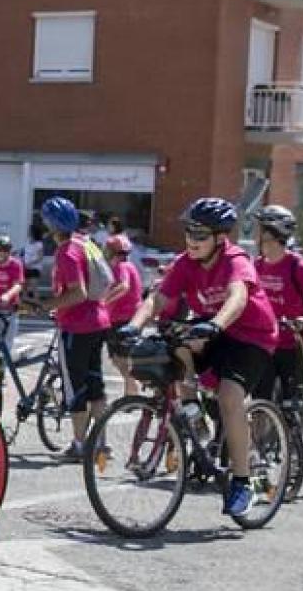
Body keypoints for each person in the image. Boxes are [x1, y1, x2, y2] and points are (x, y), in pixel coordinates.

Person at [116, 198, 280, 518]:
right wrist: (133, 326)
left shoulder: (236, 259)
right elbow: (158, 298)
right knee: (172, 344)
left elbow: (238, 296)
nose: (192, 240)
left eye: (200, 234)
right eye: (189, 232)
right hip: (213, 330)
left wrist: (216, 324)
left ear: (220, 238)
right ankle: (193, 412)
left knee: (230, 396)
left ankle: (243, 482)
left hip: (252, 336)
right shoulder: (185, 263)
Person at [35, 196, 109, 460]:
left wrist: (46, 305)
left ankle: (78, 446)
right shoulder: (87, 243)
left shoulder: (67, 251)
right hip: (99, 320)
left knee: (75, 389)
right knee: (95, 384)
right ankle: (101, 443)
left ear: (51, 225)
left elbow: (78, 293)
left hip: (77, 327)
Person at [251, 205, 303, 406]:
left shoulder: (298, 267)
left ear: (273, 233)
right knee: (259, 401)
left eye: (262, 230)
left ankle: (293, 435)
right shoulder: (255, 266)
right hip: (264, 343)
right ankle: (260, 437)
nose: (259, 235)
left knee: (291, 403)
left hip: (293, 344)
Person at [101, 233, 145, 397]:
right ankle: (131, 390)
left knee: (120, 357)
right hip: (125, 317)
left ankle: (132, 391)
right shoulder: (128, 265)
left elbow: (123, 286)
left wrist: (103, 301)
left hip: (122, 318)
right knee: (120, 358)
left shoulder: (121, 266)